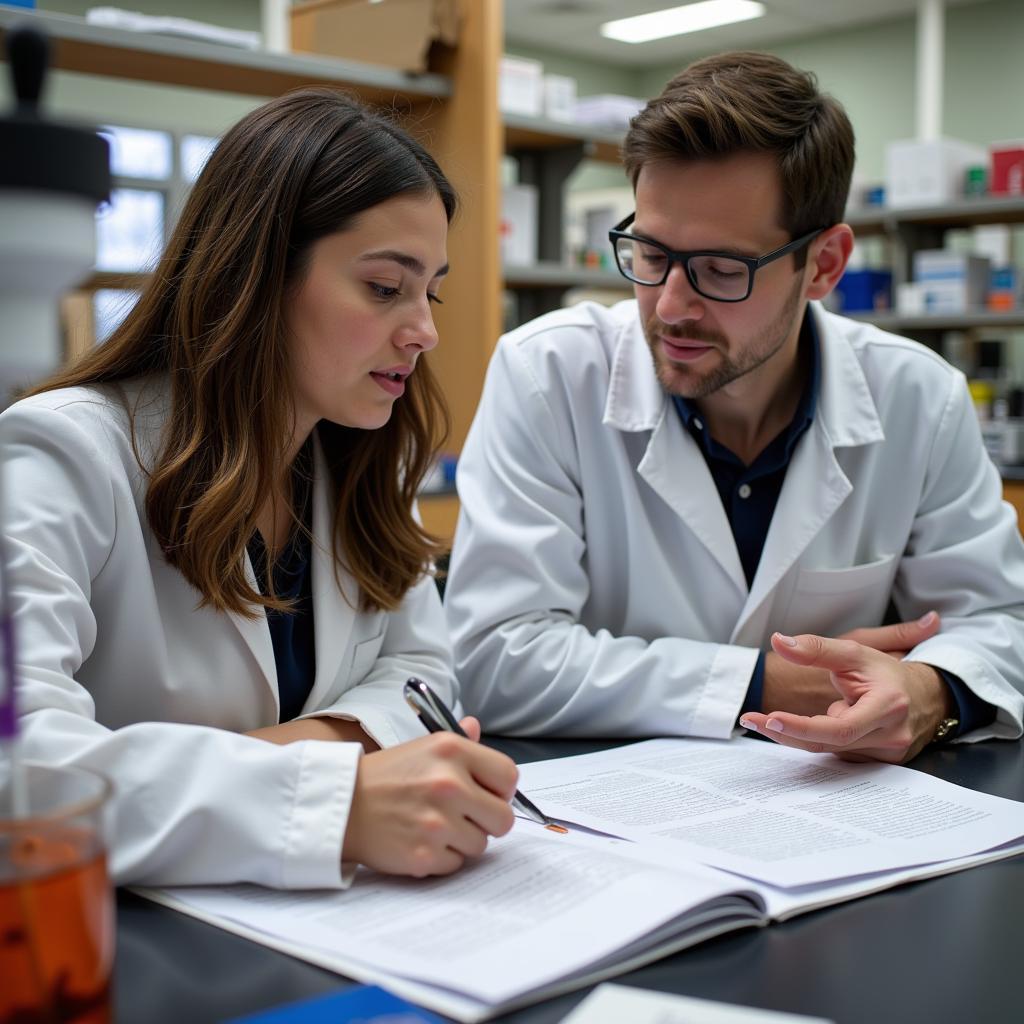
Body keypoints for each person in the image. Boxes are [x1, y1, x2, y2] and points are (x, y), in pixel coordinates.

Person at [445, 51, 1024, 764]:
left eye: (722, 269)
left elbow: (1000, 623)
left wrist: (932, 691)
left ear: (824, 265)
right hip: (613, 825)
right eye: (651, 255)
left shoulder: (919, 398)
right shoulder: (548, 375)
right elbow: (491, 656)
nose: (673, 306)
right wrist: (760, 682)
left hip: (841, 819)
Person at [2, 87, 517, 887]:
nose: (425, 330)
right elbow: (18, 767)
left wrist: (301, 755)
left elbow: (423, 673)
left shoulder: (356, 459)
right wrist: (329, 802)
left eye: (431, 290)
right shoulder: (65, 454)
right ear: (257, 276)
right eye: (386, 287)